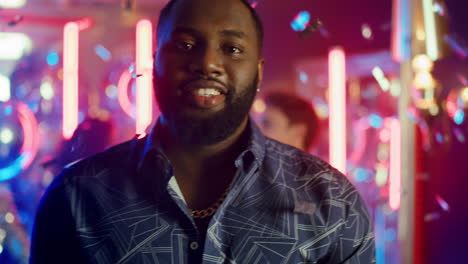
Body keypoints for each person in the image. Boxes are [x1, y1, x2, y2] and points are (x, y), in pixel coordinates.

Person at [30, 0, 375, 263]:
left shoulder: (331, 202)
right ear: (155, 61)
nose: (208, 63)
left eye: (232, 48)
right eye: (184, 44)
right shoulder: (78, 197)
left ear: (257, 72)